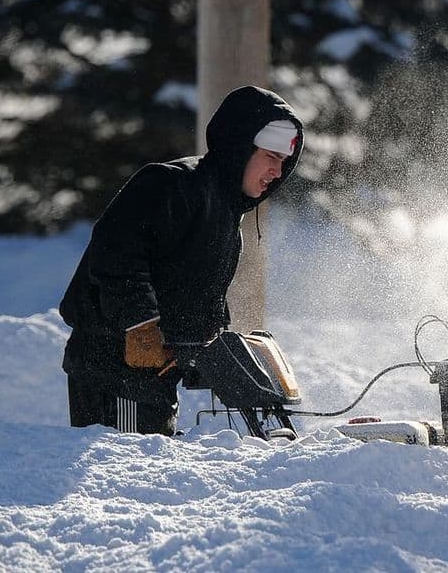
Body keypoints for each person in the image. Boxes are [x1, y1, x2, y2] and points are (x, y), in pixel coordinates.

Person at [59, 85, 304, 435]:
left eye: (284, 162)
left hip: (153, 378)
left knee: (147, 460)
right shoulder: (172, 185)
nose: (277, 172)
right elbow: (115, 252)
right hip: (114, 370)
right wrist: (141, 325)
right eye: (271, 157)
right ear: (240, 147)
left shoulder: (226, 215)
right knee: (129, 461)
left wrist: (215, 347)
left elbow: (196, 293)